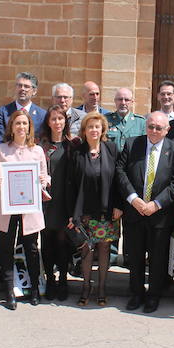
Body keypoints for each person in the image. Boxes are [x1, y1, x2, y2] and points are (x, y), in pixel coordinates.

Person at [116, 112, 174, 312]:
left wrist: (156, 204)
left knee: (157, 259)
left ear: (167, 130)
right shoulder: (132, 144)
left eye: (158, 128)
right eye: (150, 126)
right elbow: (120, 173)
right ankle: (136, 293)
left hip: (160, 215)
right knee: (135, 257)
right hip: (134, 211)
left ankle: (154, 295)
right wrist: (133, 199)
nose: (153, 131)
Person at [0, 109, 50, 309]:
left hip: (29, 210)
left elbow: (45, 176)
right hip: (7, 209)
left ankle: (33, 289)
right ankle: (8, 291)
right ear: (11, 127)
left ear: (30, 127)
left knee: (31, 249)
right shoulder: (2, 150)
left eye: (25, 123)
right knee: (6, 249)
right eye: (18, 123)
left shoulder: (37, 151)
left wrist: (43, 180)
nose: (21, 127)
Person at [67, 112, 121, 306]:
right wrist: (73, 214)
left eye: (97, 127)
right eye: (90, 127)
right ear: (84, 130)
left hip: (107, 211)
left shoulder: (112, 149)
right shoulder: (77, 152)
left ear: (102, 129)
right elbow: (71, 185)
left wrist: (118, 205)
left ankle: (102, 288)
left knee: (104, 248)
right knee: (87, 250)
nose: (94, 130)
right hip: (85, 212)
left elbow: (118, 181)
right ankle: (85, 287)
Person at [37, 105, 74, 301]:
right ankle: (50, 279)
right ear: (48, 122)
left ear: (65, 121)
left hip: (64, 201)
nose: (57, 122)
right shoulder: (40, 146)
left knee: (62, 243)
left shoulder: (72, 145)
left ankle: (63, 280)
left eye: (60, 119)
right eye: (53, 119)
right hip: (46, 202)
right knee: (47, 243)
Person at [0, 72, 47, 141]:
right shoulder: (3, 112)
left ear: (34, 91)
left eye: (26, 86)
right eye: (19, 85)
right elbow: (0, 139)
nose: (22, 89)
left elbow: (43, 140)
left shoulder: (42, 115)